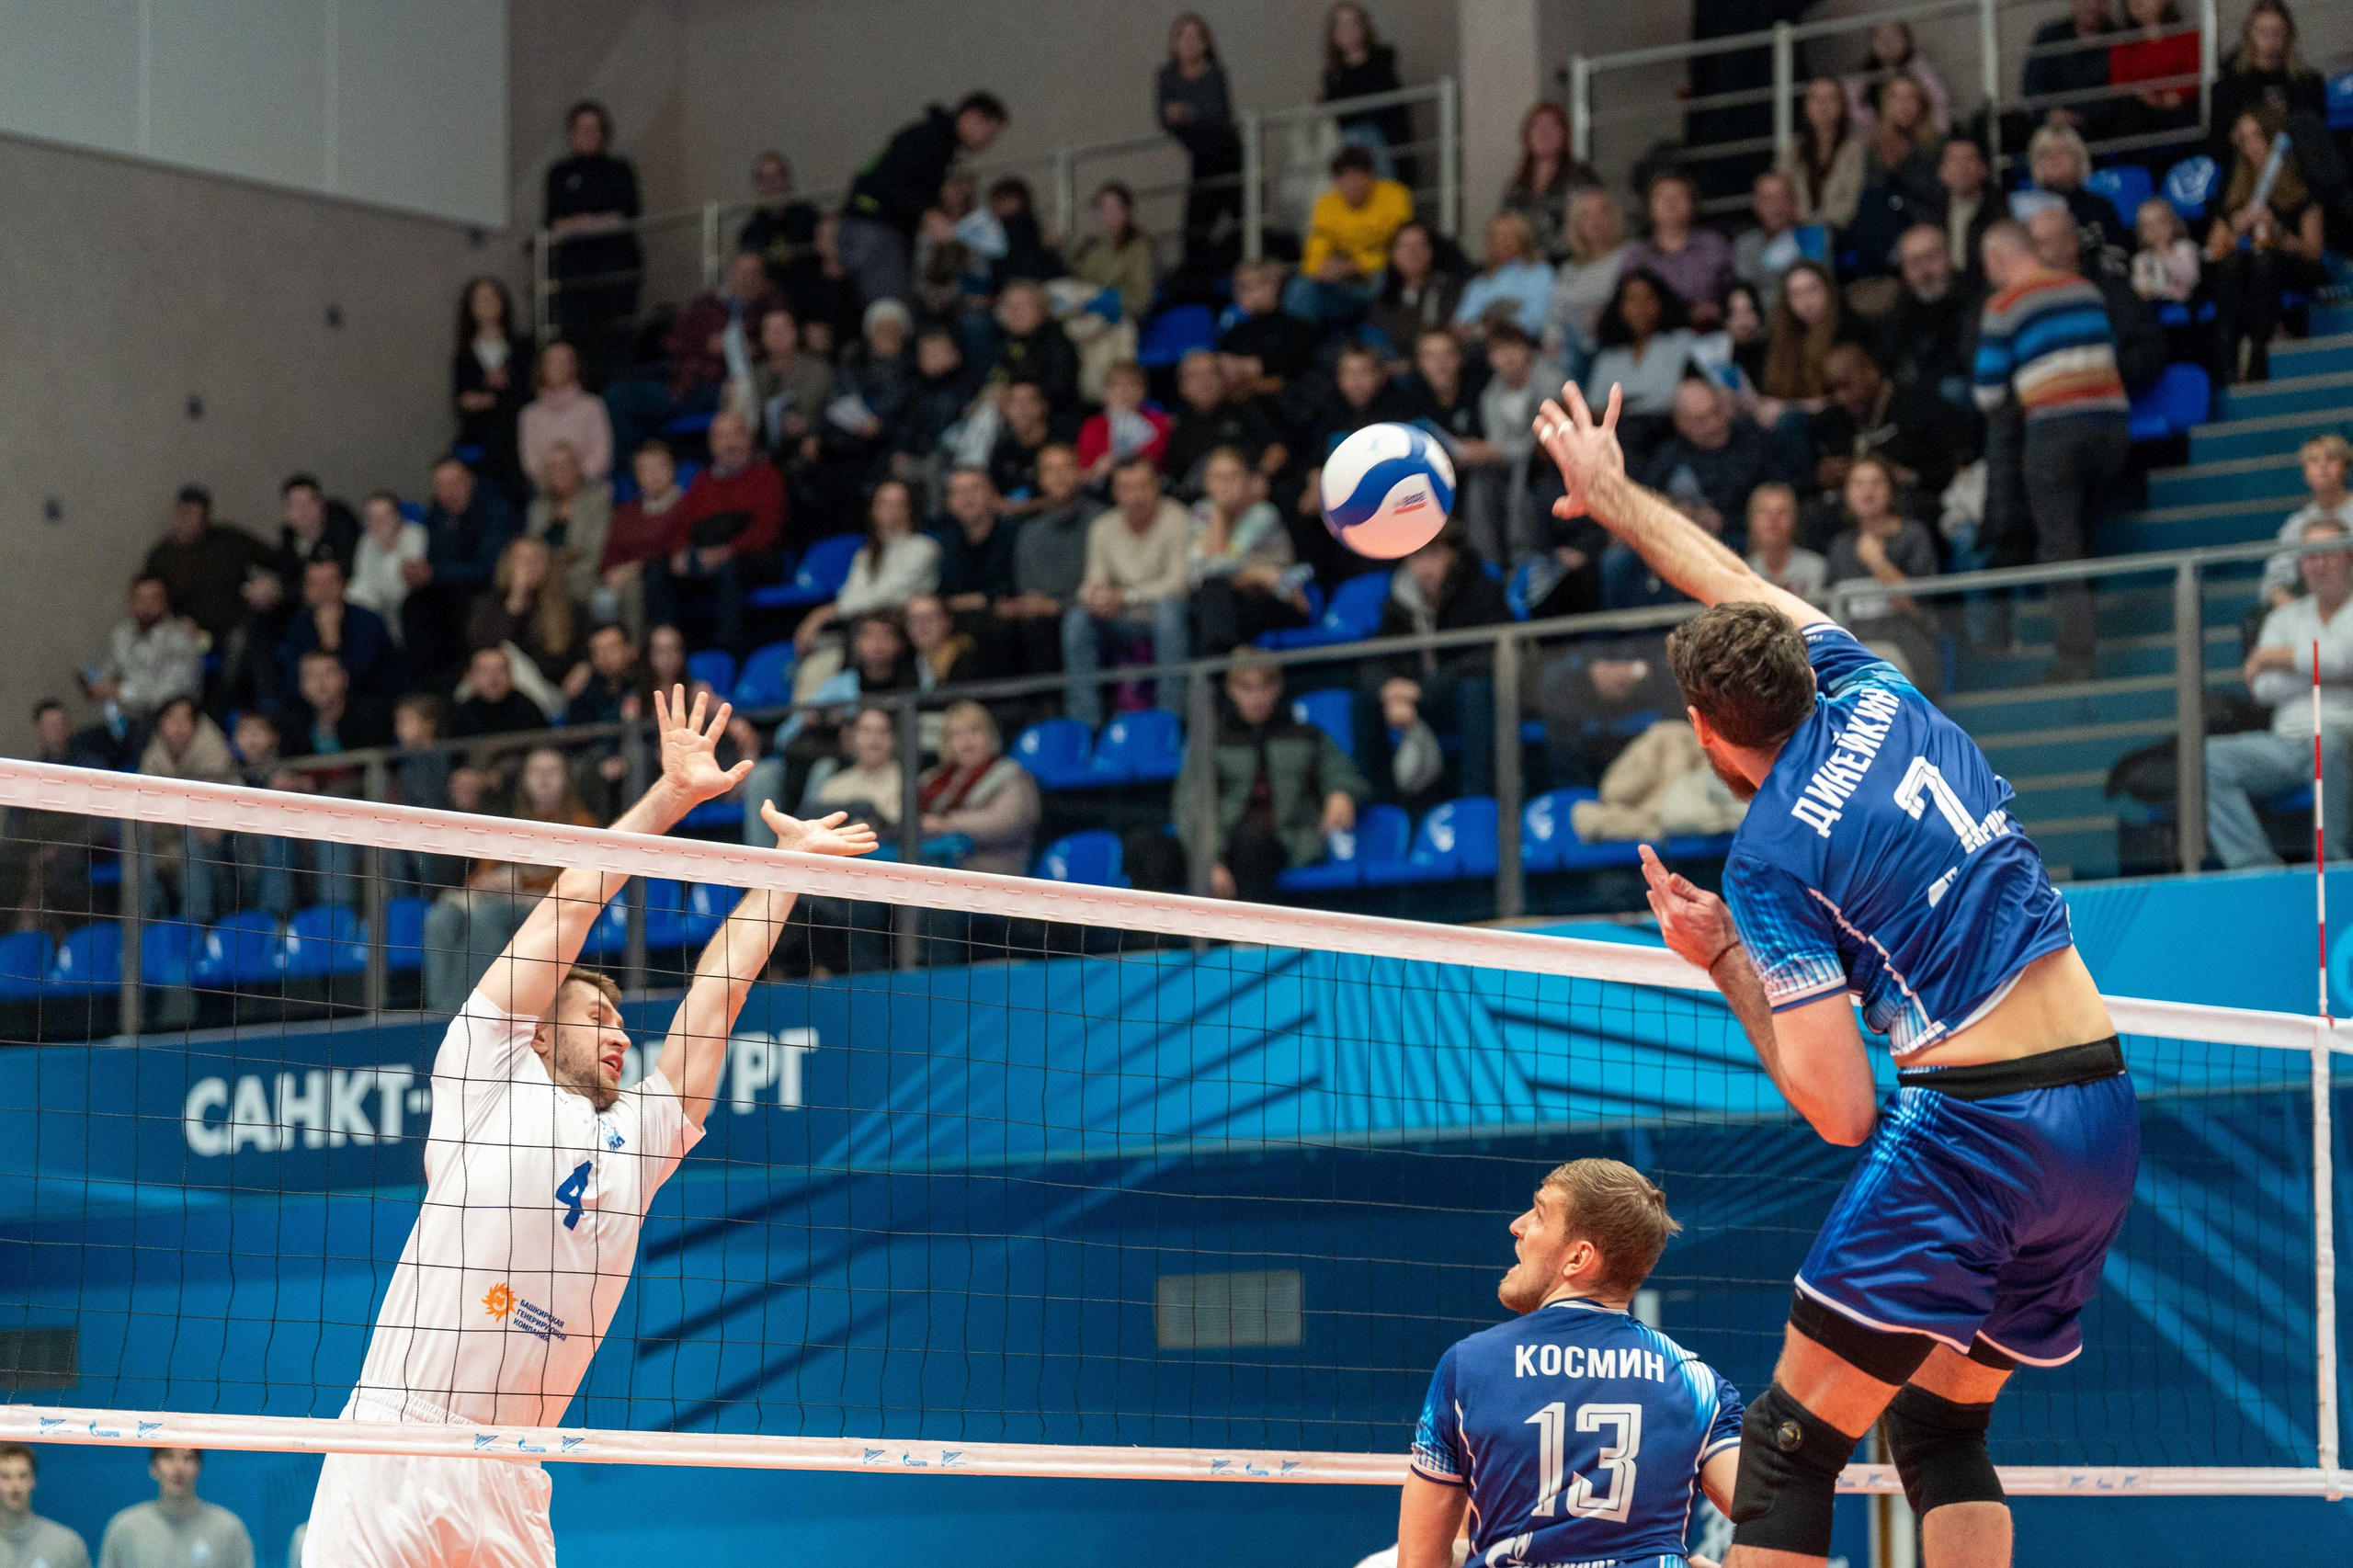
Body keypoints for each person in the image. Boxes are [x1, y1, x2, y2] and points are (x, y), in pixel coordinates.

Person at [1534, 379, 2137, 1568]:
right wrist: (1615, 500)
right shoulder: (1877, 684)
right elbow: (1737, 587)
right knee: (1939, 1420)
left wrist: (1720, 958)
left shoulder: (1771, 858)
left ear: (1708, 733)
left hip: (1983, 1134)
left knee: (1787, 1445)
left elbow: (1842, 1107)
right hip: (2103, 1115)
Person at [307, 692, 875, 1562]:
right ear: (537, 1029)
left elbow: (716, 999)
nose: (619, 1030)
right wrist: (670, 802)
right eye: (595, 1015)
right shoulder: (487, 1073)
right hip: (395, 1443)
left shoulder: (638, 1141)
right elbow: (573, 904)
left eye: (622, 1022)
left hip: (511, 1479)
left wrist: (786, 871)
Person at [1397, 1159, 1741, 1568]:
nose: (1518, 1226)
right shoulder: (1694, 1381)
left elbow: (1418, 1561)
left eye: (1540, 1214)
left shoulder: (1468, 1367)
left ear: (1578, 1258)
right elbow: (1773, 1515)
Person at [1972, 220, 2130, 684]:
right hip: (2114, 430)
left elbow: (1987, 390)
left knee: (2059, 545)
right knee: (2078, 527)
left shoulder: (2004, 303)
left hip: (2056, 433)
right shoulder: (2086, 289)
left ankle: (2075, 658)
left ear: (1998, 259)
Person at [2209, 512, 2353, 868]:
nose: (2317, 565)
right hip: (2287, 741)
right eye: (2309, 557)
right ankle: (2255, 867)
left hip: (2344, 733)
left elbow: (2343, 658)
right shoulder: (2282, 618)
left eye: (2328, 554)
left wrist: (2273, 656)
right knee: (2210, 758)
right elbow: (2263, 689)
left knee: (2328, 746)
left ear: (2349, 556)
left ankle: (2336, 865)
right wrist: (2328, 670)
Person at [1178, 653, 1366, 903]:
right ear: (1232, 690)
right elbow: (1191, 804)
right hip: (1219, 845)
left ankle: (1248, 941)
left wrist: (1341, 792)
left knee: (1253, 843)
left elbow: (1341, 769)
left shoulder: (1305, 734)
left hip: (1284, 843)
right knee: (1144, 846)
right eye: (1247, 688)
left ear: (1278, 688)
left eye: (1265, 687)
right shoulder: (1212, 741)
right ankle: (1153, 941)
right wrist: (1210, 861)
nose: (1257, 697)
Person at [1370, 526, 1512, 797]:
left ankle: (1476, 797)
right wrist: (1388, 689)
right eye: (1416, 557)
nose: (1424, 567)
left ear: (1454, 555)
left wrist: (1424, 689)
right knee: (1363, 703)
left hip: (1469, 701)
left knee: (1475, 689)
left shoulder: (1482, 591)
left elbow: (1490, 655)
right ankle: (1380, 804)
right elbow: (1376, 655)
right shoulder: (1398, 601)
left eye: (1433, 554)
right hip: (1419, 704)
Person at [838, 92, 1009, 310]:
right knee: (891, 313)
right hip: (876, 229)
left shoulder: (932, 139)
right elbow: (883, 180)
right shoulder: (931, 139)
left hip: (874, 228)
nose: (989, 143)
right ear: (972, 117)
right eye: (990, 133)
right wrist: (926, 213)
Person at [607, 251, 777, 459]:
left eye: (752, 273)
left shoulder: (769, 309)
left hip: (721, 386)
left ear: (763, 279)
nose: (745, 278)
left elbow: (775, 349)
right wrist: (708, 345)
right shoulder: (707, 303)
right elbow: (673, 341)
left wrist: (749, 348)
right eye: (740, 271)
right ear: (731, 273)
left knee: (620, 397)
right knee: (617, 389)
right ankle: (637, 473)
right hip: (682, 378)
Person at [644, 410, 787, 653]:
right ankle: (666, 649)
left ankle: (728, 650)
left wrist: (726, 552)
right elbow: (685, 524)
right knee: (657, 568)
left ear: (749, 438)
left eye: (736, 435)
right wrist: (680, 553)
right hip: (708, 558)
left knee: (730, 567)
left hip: (754, 558)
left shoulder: (767, 476)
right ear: (711, 445)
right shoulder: (703, 481)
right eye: (722, 437)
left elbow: (767, 530)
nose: (730, 443)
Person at [1063, 455, 1191, 727]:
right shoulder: (1102, 527)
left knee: (1169, 610)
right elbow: (1093, 580)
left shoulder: (1178, 517)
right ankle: (1086, 724)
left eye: (1143, 486)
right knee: (1077, 619)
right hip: (1121, 616)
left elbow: (1179, 583)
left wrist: (1125, 596)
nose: (1135, 496)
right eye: (1126, 488)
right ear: (1115, 491)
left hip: (1166, 615)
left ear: (1157, 486)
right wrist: (1096, 597)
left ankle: (1170, 717)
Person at [2205, 107, 2329, 384]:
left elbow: (2313, 251)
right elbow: (2213, 249)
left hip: (2288, 266)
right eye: (2244, 138)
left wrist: (2280, 235)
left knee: (2264, 263)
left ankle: (2260, 357)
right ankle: (2229, 362)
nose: (2251, 146)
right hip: (2244, 271)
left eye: (2258, 137)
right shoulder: (2234, 186)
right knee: (2232, 265)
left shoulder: (2302, 189)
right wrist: (2236, 226)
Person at [791, 479, 942, 683]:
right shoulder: (865, 555)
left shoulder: (924, 548)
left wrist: (822, 614)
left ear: (910, 510)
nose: (891, 510)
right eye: (884, 503)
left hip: (902, 638)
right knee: (812, 666)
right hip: (859, 634)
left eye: (898, 504)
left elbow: (883, 596)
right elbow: (850, 597)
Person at [1824, 457, 1945, 694]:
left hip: (1904, 647)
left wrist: (1879, 563)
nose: (1867, 491)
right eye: (1858, 484)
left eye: (1876, 483)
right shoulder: (1840, 545)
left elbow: (1917, 607)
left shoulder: (1913, 535)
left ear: (1891, 490)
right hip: (1851, 649)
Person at [2025, 205, 2165, 400]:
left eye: (2042, 244)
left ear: (2071, 244)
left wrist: (2094, 373)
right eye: (2030, 246)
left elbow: (2146, 352)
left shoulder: (2111, 292)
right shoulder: (2021, 298)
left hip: (2102, 404)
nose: (2034, 256)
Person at [542, 102, 642, 371]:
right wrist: (596, 222)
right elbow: (553, 224)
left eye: (595, 129)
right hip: (574, 276)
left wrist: (582, 223)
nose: (589, 134)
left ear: (604, 133)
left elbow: (625, 217)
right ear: (572, 133)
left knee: (617, 345)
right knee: (578, 345)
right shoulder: (559, 173)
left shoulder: (619, 170)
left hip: (615, 273)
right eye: (583, 129)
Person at [408, 456, 521, 688]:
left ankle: (468, 677)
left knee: (468, 605)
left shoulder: (495, 510)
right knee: (414, 606)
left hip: (486, 590)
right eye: (441, 485)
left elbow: (487, 568)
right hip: (447, 590)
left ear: (470, 481)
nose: (449, 491)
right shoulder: (437, 515)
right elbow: (435, 560)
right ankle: (427, 687)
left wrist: (435, 573)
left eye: (455, 482)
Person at [1813, 343, 1966, 506]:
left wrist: (1905, 476)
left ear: (1871, 372)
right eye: (1832, 390)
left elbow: (1960, 469)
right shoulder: (1836, 419)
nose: (1840, 398)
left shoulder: (1921, 406)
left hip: (1920, 502)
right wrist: (1822, 477)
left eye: (1846, 385)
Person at [1188, 446, 1309, 653]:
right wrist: (1257, 574)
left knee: (1214, 593)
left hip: (1274, 601)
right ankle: (1229, 663)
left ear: (1248, 480)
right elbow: (1195, 576)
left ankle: (1221, 671)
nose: (1226, 483)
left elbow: (1218, 566)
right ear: (1207, 483)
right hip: (1231, 604)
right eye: (1218, 477)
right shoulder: (1200, 513)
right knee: (1210, 595)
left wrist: (1218, 510)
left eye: (1233, 475)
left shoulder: (1262, 513)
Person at [1641, 378, 1782, 550]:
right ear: (1680, 423)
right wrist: (1676, 511)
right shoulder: (1669, 455)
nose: (1713, 425)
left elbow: (1780, 494)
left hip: (1738, 534)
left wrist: (1724, 521)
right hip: (1679, 540)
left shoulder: (1752, 440)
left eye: (1715, 412)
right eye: (1700, 420)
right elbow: (1645, 498)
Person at [1290, 145, 1415, 329]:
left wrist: (1357, 265)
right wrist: (1321, 270)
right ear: (1336, 181)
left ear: (1371, 176)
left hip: (1385, 273)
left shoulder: (1394, 195)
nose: (1352, 184)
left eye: (1358, 175)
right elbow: (1315, 249)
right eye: (1344, 177)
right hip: (1347, 281)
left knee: (1381, 280)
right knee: (1301, 288)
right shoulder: (1327, 204)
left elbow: (1404, 248)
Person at [1158, 13, 1243, 279]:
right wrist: (1188, 118)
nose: (1189, 42)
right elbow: (1165, 117)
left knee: (1241, 216)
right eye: (1183, 36)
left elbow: (1218, 114)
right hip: (1200, 156)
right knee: (1196, 226)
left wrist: (1189, 114)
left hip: (1227, 154)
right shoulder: (1167, 76)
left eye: (1196, 36)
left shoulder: (1214, 72)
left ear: (1206, 42)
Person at [1582, 271, 1697, 466]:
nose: (1640, 307)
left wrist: (1625, 407)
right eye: (1631, 299)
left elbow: (1671, 396)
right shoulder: (1608, 356)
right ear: (1619, 307)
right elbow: (1594, 406)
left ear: (1661, 302)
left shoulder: (1682, 342)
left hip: (1669, 431)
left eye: (1648, 298)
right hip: (1616, 435)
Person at [917, 700, 1041, 875]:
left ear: (990, 735)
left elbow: (1005, 822)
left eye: (974, 731)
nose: (966, 741)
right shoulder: (933, 778)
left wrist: (946, 824)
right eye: (957, 734)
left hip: (993, 874)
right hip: (939, 869)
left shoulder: (1012, 776)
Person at [141, 483, 273, 647]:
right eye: (187, 514)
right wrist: (175, 621)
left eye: (199, 515)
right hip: (190, 634)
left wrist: (271, 587)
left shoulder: (229, 540)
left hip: (240, 625)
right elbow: (149, 599)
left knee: (247, 638)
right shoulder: (161, 557)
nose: (193, 521)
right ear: (176, 512)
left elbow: (278, 561)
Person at [1001, 444, 1091, 673]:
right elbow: (1027, 587)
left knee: (1076, 623)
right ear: (1040, 479)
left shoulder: (1101, 522)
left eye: (1066, 467)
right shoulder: (1029, 532)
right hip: (1042, 616)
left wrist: (1058, 605)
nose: (1059, 476)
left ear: (1079, 472)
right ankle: (1042, 706)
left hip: (1089, 611)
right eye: (1050, 470)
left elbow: (1104, 585)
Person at [2209, 0, 2328, 169]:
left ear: (2288, 34)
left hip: (2296, 165)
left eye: (2277, 32)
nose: (2270, 40)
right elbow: (2217, 144)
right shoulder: (2228, 87)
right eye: (2263, 32)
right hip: (2247, 169)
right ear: (2250, 34)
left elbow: (2317, 136)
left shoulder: (2308, 83)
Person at [468, 535, 588, 695]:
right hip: (494, 691)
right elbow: (483, 648)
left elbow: (575, 653)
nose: (527, 567)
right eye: (520, 560)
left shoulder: (567, 607)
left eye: (535, 560)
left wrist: (585, 666)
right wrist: (515, 602)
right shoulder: (488, 603)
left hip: (544, 692)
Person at [1880, 223, 1981, 410]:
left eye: (1931, 257)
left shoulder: (1973, 299)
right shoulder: (1897, 311)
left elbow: (1967, 360)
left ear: (1949, 256)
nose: (1924, 270)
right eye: (1914, 262)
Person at [1163, 350, 1290, 495]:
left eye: (1210, 373)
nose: (1203, 381)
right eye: (1194, 376)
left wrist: (1260, 477)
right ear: (1182, 388)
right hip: (1201, 502)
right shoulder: (1177, 426)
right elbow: (1175, 478)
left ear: (1223, 379)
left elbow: (1278, 448)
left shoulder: (1245, 408)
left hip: (1250, 494)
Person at [1620, 171, 1736, 328]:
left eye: (1678, 196)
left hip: (1710, 333)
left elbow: (1733, 291)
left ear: (1692, 203)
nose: (1670, 203)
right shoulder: (1637, 254)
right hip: (1657, 338)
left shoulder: (1713, 245)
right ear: (1649, 207)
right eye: (1662, 197)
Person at [85, 575, 203, 724]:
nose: (147, 605)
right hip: (124, 720)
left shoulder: (181, 639)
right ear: (130, 603)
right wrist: (99, 684)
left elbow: (170, 695)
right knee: (80, 742)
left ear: (166, 603)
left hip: (168, 723)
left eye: (154, 599)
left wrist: (120, 691)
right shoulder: (122, 633)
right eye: (140, 599)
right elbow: (109, 669)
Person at [100, 1451, 249, 1568]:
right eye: (168, 1457)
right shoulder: (124, 1528)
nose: (178, 1467)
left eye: (188, 1458)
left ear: (199, 1466)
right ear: (153, 1467)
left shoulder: (228, 1529)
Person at [283, 555, 403, 700]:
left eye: (330, 582)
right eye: (315, 584)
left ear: (344, 584)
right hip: (313, 709)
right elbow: (290, 679)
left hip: (369, 702)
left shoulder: (367, 620)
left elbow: (361, 677)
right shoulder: (299, 624)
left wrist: (332, 642)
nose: (323, 590)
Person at [599, 440, 687, 639]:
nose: (653, 474)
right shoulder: (625, 514)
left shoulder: (685, 506)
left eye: (660, 466)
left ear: (673, 468)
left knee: (633, 589)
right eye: (645, 469)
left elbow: (671, 552)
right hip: (619, 583)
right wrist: (615, 574)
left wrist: (633, 568)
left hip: (668, 583)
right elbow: (608, 559)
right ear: (637, 476)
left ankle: (636, 654)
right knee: (596, 595)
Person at [1320, 2, 1412, 184]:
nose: (1348, 30)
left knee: (1364, 134)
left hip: (1386, 148)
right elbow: (1341, 117)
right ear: (1333, 34)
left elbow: (1383, 107)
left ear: (1364, 27)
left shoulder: (1382, 60)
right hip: (1350, 152)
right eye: (1341, 25)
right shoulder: (1334, 74)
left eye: (1353, 23)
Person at [1541, 187, 1631, 370]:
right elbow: (1555, 315)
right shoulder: (1568, 270)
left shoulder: (1628, 257)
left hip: (1613, 341)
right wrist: (1552, 339)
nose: (1595, 221)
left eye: (1601, 213)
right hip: (1573, 348)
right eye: (1587, 215)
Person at [452, 277, 528, 494]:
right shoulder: (464, 355)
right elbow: (461, 400)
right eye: (479, 300)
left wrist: (499, 392)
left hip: (516, 438)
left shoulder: (521, 347)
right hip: (480, 441)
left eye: (492, 297)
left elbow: (528, 391)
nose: (486, 304)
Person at [2260, 435, 2353, 606]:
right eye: (2314, 461)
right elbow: (2274, 579)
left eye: (2331, 459)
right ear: (2305, 474)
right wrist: (2291, 608)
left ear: (2345, 467)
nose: (2323, 466)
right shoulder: (2297, 523)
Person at [1498, 101, 1598, 258]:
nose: (1544, 132)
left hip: (1572, 265)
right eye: (1537, 126)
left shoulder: (1581, 176)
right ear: (1527, 136)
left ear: (1564, 134)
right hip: (1524, 270)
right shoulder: (1515, 188)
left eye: (1553, 125)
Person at [525, 439, 614, 609]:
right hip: (542, 580)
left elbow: (597, 554)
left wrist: (560, 576)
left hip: (584, 579)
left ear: (577, 469)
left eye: (566, 466)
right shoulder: (537, 508)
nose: (560, 472)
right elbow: (532, 549)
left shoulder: (596, 502)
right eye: (554, 467)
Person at [2022, 123, 2128, 261]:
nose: (2053, 159)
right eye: (2045, 154)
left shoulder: (2100, 207)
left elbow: (2117, 261)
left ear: (2079, 158)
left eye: (2063, 152)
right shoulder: (2023, 212)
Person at [1367, 221, 1467, 367]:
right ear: (1393, 254)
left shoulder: (1452, 288)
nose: (1413, 252)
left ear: (1432, 250)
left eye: (1420, 245)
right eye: (1405, 246)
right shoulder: (1383, 297)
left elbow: (1453, 339)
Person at [2107, 0, 2200, 154]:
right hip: (2140, 116)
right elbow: (2118, 86)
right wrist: (2142, 95)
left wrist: (2172, 96)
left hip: (2180, 111)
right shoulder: (2122, 45)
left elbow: (2195, 75)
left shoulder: (2188, 36)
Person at [518, 340, 613, 488]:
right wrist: (556, 485)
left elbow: (602, 457)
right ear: (541, 367)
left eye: (565, 361)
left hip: (589, 489)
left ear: (574, 367)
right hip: (547, 492)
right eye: (552, 361)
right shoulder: (530, 414)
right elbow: (531, 463)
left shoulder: (593, 406)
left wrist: (574, 482)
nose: (558, 366)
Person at [1777, 77, 1866, 233]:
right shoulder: (1792, 151)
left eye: (1830, 98)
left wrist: (1821, 227)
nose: (1822, 105)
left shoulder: (1857, 150)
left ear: (1843, 105)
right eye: (1815, 98)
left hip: (1841, 232)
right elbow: (1783, 194)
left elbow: (1854, 199)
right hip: (1797, 232)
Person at [1450, 211, 1555, 338]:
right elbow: (1461, 325)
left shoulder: (1540, 272)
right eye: (1497, 236)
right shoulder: (1478, 283)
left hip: (1525, 344)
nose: (1503, 241)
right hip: (1482, 348)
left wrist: (1496, 327)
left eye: (1509, 235)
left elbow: (1538, 320)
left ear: (1523, 239)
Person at [2024, 0, 2118, 141]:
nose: (2092, 5)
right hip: (2048, 122)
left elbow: (2119, 94)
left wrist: (2079, 118)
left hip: (2097, 128)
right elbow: (2031, 84)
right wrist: (2050, 114)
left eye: (2100, 0)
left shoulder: (2119, 38)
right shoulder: (2050, 36)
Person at [1219, 260, 1321, 390]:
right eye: (1237, 286)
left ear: (1272, 287)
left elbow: (1292, 382)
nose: (1238, 293)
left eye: (1246, 286)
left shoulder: (1298, 330)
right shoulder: (1233, 334)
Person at [1069, 182, 1157, 324]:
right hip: (1091, 309)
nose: (1108, 214)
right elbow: (1080, 274)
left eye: (1114, 208)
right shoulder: (1095, 245)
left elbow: (1141, 298)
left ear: (1127, 211)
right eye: (1103, 208)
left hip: (1126, 315)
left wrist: (1106, 300)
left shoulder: (1139, 247)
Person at [737, 149, 821, 295]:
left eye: (776, 177)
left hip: (811, 291)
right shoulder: (751, 230)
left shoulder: (809, 218)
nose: (771, 185)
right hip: (769, 298)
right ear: (757, 186)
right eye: (764, 178)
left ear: (788, 180)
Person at [347, 492, 428, 642]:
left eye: (384, 516)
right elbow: (361, 585)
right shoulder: (366, 542)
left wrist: (389, 550)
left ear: (397, 517)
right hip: (378, 612)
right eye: (372, 517)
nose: (378, 522)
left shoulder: (416, 536)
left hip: (412, 613)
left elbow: (402, 588)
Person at [1845, 20, 1951, 131]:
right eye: (1879, 36)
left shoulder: (1918, 66)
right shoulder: (1864, 73)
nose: (1887, 42)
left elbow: (1939, 99)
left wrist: (1937, 132)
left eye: (1894, 35)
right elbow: (1852, 107)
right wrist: (1877, 129)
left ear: (1907, 40)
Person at [1075, 361, 1171, 482]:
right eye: (1117, 385)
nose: (1124, 392)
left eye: (1132, 384)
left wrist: (1116, 461)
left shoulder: (1158, 423)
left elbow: (1155, 462)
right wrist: (1096, 470)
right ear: (1106, 391)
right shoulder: (1093, 426)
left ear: (1144, 390)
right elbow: (1082, 474)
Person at [0, 1443, 88, 1568]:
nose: (15, 1485)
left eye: (23, 1476)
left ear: (33, 1480)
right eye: (5, 1477)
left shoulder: (66, 1545)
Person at [1733, 170, 1806, 312]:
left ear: (1794, 201)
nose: (1775, 206)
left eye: (1782, 197)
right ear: (1756, 206)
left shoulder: (1815, 237)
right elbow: (1748, 298)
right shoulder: (1745, 245)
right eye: (1767, 199)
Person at [1934, 137, 2000, 288]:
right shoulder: (1930, 216)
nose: (1961, 167)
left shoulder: (2000, 213)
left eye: (1968, 159)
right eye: (1954, 160)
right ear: (1942, 172)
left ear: (1984, 169)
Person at [1746, 481, 1825, 603]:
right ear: (1752, 520)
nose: (1772, 519)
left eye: (1781, 512)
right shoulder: (1742, 573)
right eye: (1764, 511)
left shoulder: (1815, 568)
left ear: (1794, 520)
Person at [447, 645, 549, 740]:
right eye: (484, 671)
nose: (493, 679)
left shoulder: (528, 710)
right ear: (470, 676)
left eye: (500, 670)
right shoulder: (461, 715)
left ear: (511, 676)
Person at [2129, 196, 2200, 302]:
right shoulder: (2141, 259)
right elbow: (2139, 286)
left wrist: (2165, 254)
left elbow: (2192, 277)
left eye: (2160, 222)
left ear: (2172, 224)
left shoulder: (2184, 248)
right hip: (2154, 305)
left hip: (2187, 303)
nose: (2155, 229)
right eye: (2147, 225)